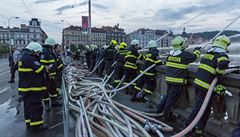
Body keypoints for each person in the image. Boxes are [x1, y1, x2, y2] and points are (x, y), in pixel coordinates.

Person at [185, 35, 231, 136]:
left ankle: (198, 129)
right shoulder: (221, 55)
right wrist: (221, 72)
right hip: (206, 87)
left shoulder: (208, 53)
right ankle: (187, 127)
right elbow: (222, 66)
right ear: (225, 45)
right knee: (199, 109)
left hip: (198, 83)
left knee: (204, 110)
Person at [160, 36, 201, 121]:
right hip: (177, 81)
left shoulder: (170, 54)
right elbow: (194, 57)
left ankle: (160, 110)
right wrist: (197, 50)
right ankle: (166, 116)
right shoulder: (184, 55)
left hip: (169, 79)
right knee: (171, 99)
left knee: (168, 96)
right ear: (182, 44)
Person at [18, 42, 48, 131]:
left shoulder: (23, 57)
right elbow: (40, 69)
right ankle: (37, 126)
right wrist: (47, 68)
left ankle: (29, 123)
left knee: (28, 107)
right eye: (38, 52)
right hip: (32, 88)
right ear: (33, 51)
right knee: (36, 107)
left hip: (25, 88)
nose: (39, 54)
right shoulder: (30, 59)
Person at [40, 38, 61, 111]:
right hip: (46, 76)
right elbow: (42, 64)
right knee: (45, 90)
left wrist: (59, 68)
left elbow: (56, 62)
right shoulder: (43, 52)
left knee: (53, 90)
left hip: (53, 75)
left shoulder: (51, 52)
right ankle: (46, 105)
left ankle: (54, 102)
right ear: (51, 45)